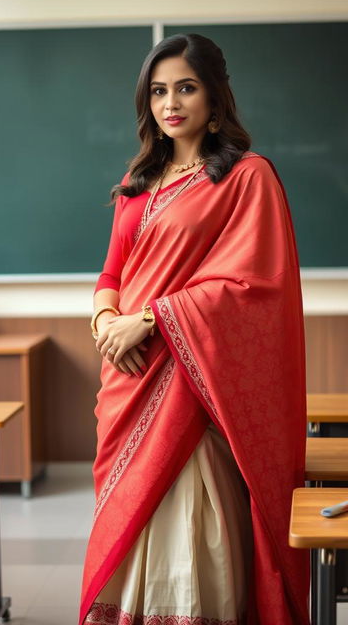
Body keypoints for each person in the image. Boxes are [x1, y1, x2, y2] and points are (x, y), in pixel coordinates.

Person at [79, 33, 309, 625]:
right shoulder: (138, 183)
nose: (170, 103)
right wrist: (108, 319)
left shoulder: (245, 178)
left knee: (189, 527)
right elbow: (112, 272)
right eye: (158, 91)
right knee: (130, 531)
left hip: (192, 388)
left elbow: (253, 287)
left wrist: (151, 320)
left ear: (215, 97)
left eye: (186, 87)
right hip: (127, 381)